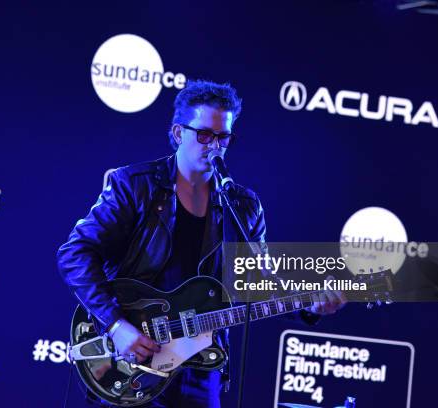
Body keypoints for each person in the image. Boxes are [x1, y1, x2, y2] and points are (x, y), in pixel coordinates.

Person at [57, 79, 346, 407]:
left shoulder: (244, 207)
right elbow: (74, 254)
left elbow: (261, 281)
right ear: (179, 133)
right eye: (205, 135)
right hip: (133, 353)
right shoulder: (134, 186)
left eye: (223, 137)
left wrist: (308, 303)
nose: (214, 146)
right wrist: (115, 324)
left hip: (202, 365)